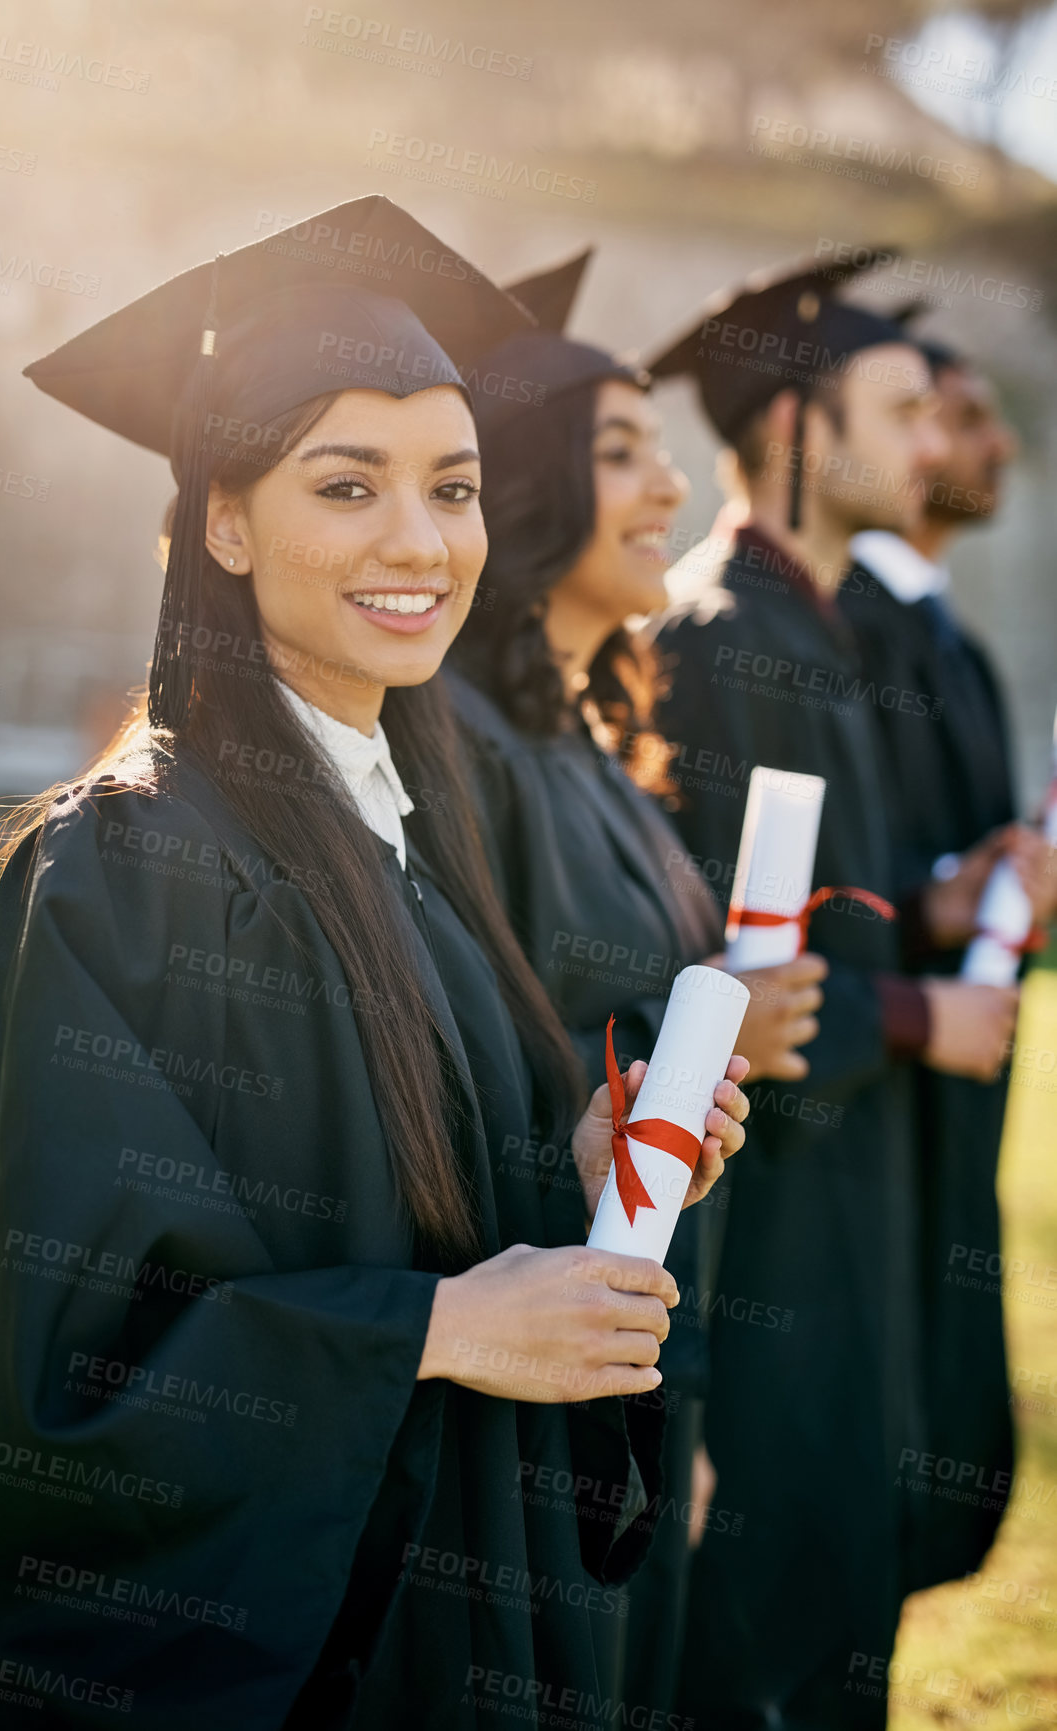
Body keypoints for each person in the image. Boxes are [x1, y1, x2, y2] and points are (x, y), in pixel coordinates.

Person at [0, 196, 750, 1731]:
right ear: (223, 522)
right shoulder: (125, 863)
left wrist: (573, 1164)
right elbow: (62, 1373)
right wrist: (433, 1330)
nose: (419, 542)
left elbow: (415, 1211)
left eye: (454, 486)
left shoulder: (417, 848)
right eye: (345, 485)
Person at [447, 251, 826, 1716]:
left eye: (662, 448)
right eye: (620, 454)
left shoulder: (591, 742)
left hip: (632, 1341)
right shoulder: (465, 749)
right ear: (534, 480)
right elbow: (486, 1068)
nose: (669, 488)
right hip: (532, 1357)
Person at [645, 254, 1020, 1729]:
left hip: (852, 1192)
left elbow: (815, 912)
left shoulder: (824, 634)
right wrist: (918, 1013)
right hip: (764, 1213)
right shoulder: (717, 641)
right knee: (762, 1628)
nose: (927, 446)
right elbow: (703, 980)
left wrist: (934, 901)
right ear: (797, 426)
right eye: (893, 412)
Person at [843, 325, 1057, 1586]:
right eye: (961, 416)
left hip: (953, 1064)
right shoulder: (852, 632)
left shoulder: (947, 635)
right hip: (878, 1071)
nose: (991, 444)